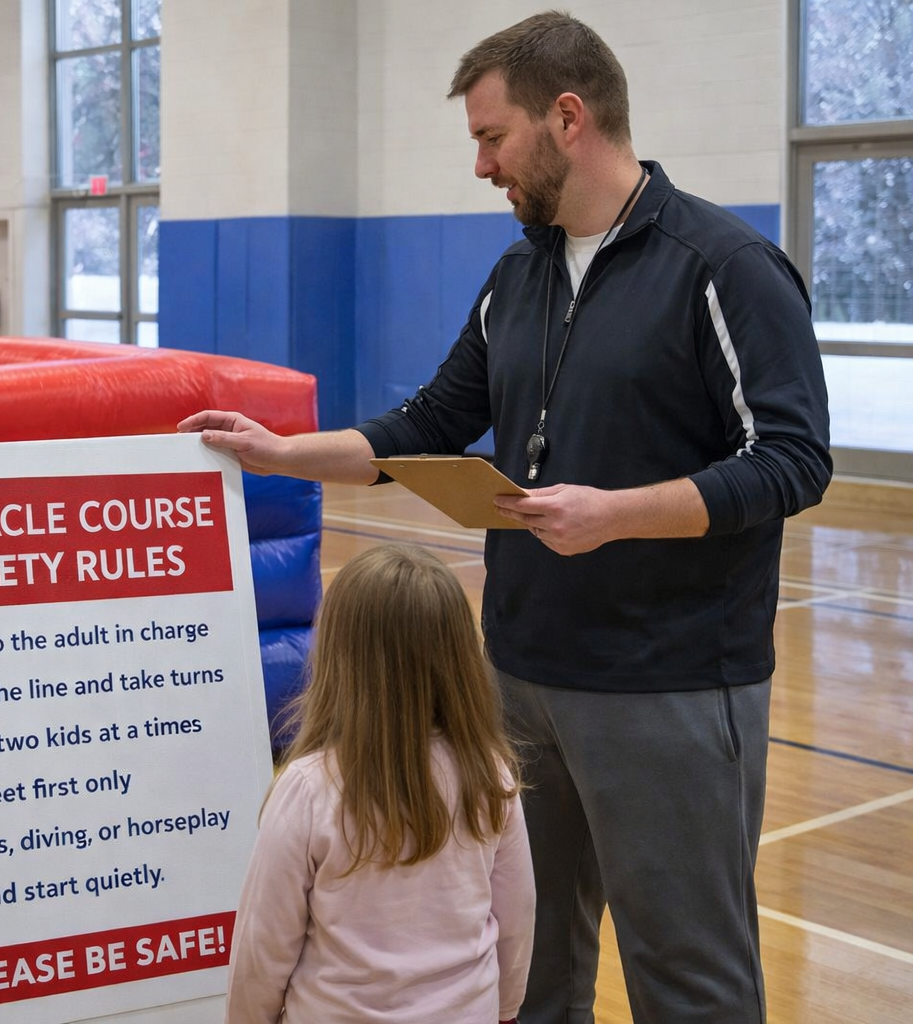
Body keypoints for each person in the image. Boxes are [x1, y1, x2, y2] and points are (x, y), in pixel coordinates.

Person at [184, 12, 830, 1024]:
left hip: (668, 683)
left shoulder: (725, 267)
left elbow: (792, 462)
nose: (481, 165)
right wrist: (282, 454)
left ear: (567, 117)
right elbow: (435, 422)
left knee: (688, 979)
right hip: (516, 680)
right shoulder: (517, 275)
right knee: (530, 977)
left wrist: (616, 514)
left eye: (492, 137)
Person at [225, 544, 532, 1023]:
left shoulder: (308, 788)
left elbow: (263, 948)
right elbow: (517, 919)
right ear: (458, 658)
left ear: (338, 655)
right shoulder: (490, 774)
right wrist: (507, 1011)